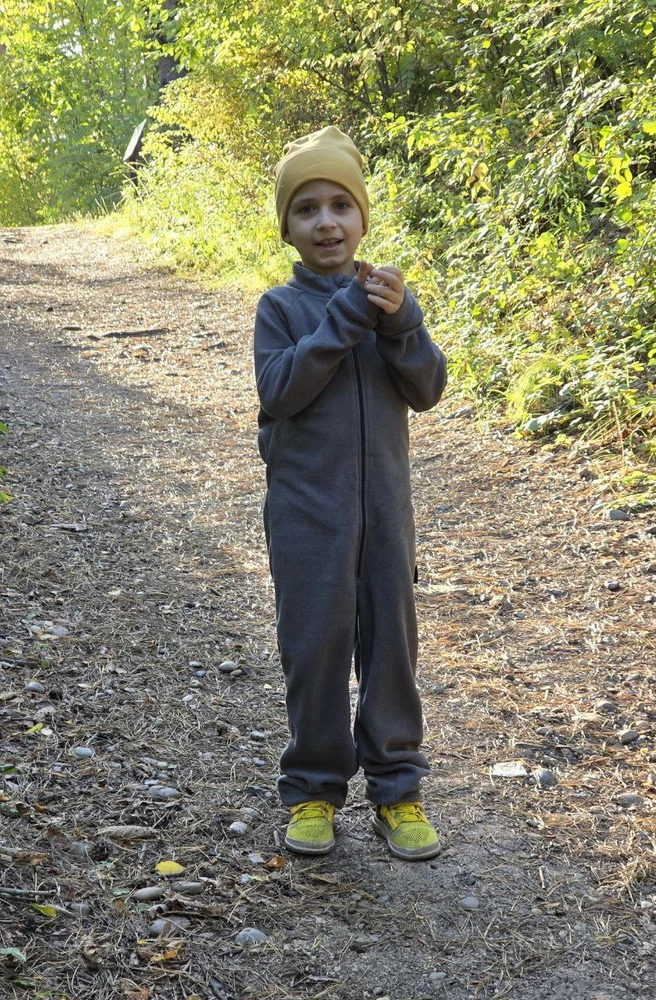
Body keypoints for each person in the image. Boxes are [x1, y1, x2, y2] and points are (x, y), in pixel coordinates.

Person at [253, 125, 447, 861]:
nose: (326, 221)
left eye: (341, 205)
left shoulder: (389, 300)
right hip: (308, 522)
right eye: (307, 209)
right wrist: (346, 320)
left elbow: (426, 388)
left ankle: (398, 794)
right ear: (288, 230)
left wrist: (403, 323)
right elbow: (281, 390)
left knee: (392, 649)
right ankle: (311, 789)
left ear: (363, 218)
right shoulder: (281, 309)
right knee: (316, 649)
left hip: (387, 522)